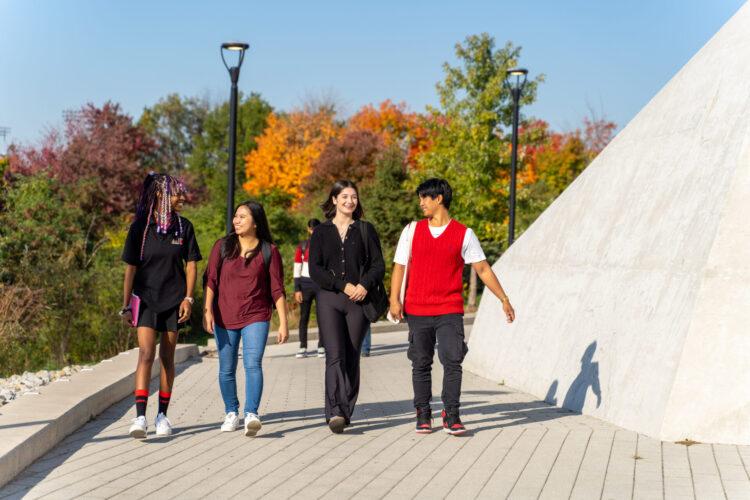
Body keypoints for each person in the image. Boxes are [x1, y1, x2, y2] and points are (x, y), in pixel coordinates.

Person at [389, 178, 515, 435]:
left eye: (425, 197)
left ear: (439, 199)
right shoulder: (411, 230)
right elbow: (400, 266)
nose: (420, 202)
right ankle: (423, 414)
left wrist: (504, 298)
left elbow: (482, 269)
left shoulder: (464, 233)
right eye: (420, 197)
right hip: (418, 308)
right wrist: (394, 300)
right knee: (421, 363)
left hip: (449, 308)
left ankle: (452, 414)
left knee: (453, 360)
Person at [120, 173, 201, 438]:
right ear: (160, 196)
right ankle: (140, 417)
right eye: (176, 193)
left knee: (167, 357)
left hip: (174, 302)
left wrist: (188, 298)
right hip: (145, 300)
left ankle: (162, 416)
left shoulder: (184, 228)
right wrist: (126, 304)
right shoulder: (140, 229)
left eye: (181, 192)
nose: (182, 197)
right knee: (145, 354)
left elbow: (191, 264)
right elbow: (131, 269)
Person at [203, 201, 289, 436]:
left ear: (256, 223)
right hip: (224, 314)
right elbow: (210, 280)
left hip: (257, 315)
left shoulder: (269, 251)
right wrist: (207, 310)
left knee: (253, 364)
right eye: (236, 216)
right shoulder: (222, 246)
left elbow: (277, 289)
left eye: (242, 217)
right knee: (226, 369)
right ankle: (231, 412)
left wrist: (283, 322)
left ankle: (251, 413)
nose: (236, 221)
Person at [308, 180, 385, 433]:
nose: (349, 201)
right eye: (344, 196)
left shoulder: (365, 229)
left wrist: (363, 285)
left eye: (353, 197)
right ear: (334, 200)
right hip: (330, 299)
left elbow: (378, 265)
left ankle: (346, 406)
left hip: (359, 301)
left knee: (352, 355)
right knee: (334, 355)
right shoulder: (321, 232)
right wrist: (343, 285)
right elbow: (315, 270)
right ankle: (334, 412)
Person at [294, 218, 324, 358]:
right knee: (304, 317)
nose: (314, 231)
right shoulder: (302, 246)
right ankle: (302, 346)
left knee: (322, 317)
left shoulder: (325, 245)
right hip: (305, 286)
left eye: (316, 228)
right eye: (312, 229)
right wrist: (297, 289)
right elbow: (297, 268)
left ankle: (321, 346)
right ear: (308, 229)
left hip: (321, 286)